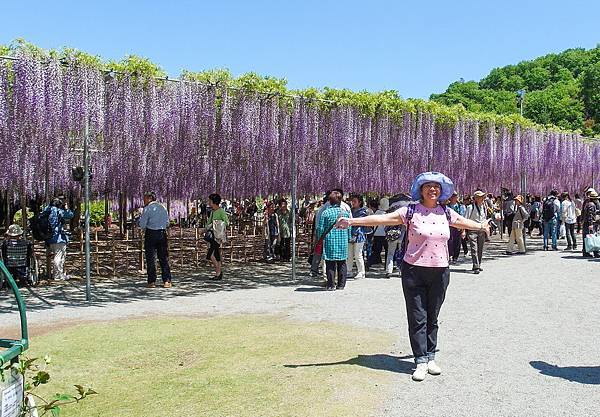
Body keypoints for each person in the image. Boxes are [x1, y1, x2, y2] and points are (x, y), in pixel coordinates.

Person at [336, 172, 490, 381]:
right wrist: (352, 221)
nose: (432, 190)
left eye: (436, 186)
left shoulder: (446, 212)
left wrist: (482, 226)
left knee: (432, 316)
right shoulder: (409, 211)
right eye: (428, 186)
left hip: (440, 271)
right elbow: (382, 218)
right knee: (418, 316)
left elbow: (464, 222)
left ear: (441, 190)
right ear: (421, 190)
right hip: (414, 271)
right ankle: (420, 360)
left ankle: (431, 356)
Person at [317, 190, 351, 291]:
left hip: (329, 240)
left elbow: (320, 229)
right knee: (342, 262)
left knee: (330, 263)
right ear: (340, 201)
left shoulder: (325, 213)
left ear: (330, 201)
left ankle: (331, 285)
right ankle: (341, 285)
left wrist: (319, 238)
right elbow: (349, 228)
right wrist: (348, 238)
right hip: (342, 241)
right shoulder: (345, 213)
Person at [139, 191, 172, 288]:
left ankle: (152, 282)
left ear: (149, 198)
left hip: (151, 234)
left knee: (151, 258)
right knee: (164, 258)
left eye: (144, 198)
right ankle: (167, 281)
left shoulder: (147, 209)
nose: (143, 200)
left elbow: (142, 224)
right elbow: (167, 223)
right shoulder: (163, 207)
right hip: (162, 233)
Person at [44, 197, 74, 281]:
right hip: (58, 238)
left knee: (57, 255)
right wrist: (66, 208)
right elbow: (70, 215)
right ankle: (58, 276)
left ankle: (58, 274)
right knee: (58, 257)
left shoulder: (46, 209)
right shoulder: (58, 211)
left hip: (49, 238)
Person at [205, 193, 229, 278]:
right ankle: (218, 273)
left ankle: (218, 271)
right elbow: (208, 223)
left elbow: (226, 222)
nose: (208, 202)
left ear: (213, 202)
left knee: (210, 255)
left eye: (210, 201)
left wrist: (217, 223)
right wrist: (206, 228)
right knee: (216, 254)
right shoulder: (212, 212)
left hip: (217, 236)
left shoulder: (221, 211)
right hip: (212, 236)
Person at [464, 190, 488, 274]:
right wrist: (463, 231)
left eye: (483, 197)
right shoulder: (470, 207)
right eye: (480, 197)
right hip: (472, 230)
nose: (482, 198)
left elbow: (484, 218)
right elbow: (465, 219)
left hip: (481, 230)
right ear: (476, 198)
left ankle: (479, 264)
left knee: (480, 248)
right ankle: (475, 266)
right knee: (474, 249)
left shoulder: (484, 207)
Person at [346, 194, 367, 280]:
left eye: (355, 201)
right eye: (352, 201)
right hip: (350, 234)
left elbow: (362, 223)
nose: (353, 203)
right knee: (349, 255)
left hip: (359, 235)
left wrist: (351, 221)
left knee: (358, 255)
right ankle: (349, 271)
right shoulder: (350, 211)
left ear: (360, 202)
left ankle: (361, 272)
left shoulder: (363, 212)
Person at [367, 197, 389, 270]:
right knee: (387, 251)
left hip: (377, 234)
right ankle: (387, 266)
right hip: (385, 235)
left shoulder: (376, 213)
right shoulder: (386, 214)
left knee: (376, 251)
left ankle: (369, 263)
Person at [582, 190, 600, 258]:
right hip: (589, 223)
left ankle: (586, 251)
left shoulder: (588, 203)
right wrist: (591, 224)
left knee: (587, 238)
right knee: (593, 237)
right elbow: (590, 215)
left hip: (586, 223)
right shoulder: (591, 205)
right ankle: (595, 252)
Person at [447, 192, 462, 264]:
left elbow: (462, 217)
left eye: (455, 196)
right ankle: (450, 255)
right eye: (452, 196)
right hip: (449, 226)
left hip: (457, 226)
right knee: (449, 241)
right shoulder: (447, 206)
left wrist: (462, 228)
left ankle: (455, 257)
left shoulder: (460, 206)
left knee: (457, 241)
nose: (453, 198)